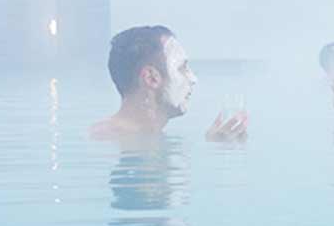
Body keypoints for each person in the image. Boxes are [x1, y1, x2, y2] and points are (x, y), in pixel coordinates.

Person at [90, 25, 247, 142]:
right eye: (182, 68)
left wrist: (214, 144)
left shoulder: (145, 137)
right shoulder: (107, 139)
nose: (193, 79)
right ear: (151, 78)